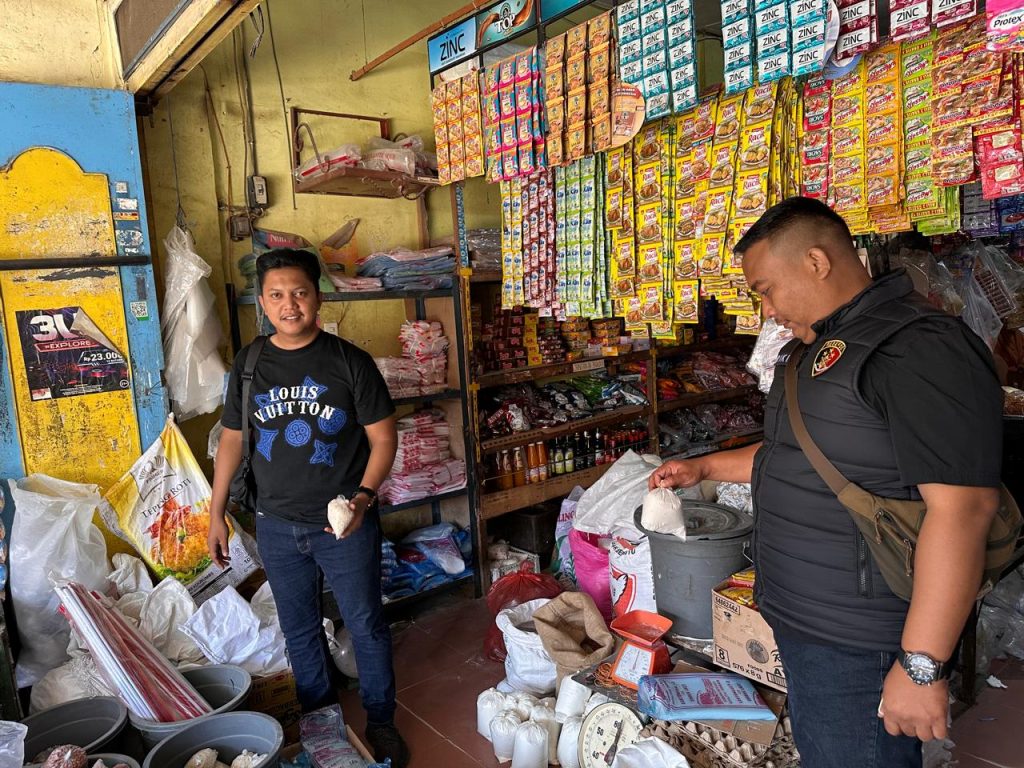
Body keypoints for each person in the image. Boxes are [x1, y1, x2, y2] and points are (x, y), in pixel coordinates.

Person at [650, 197, 1003, 768]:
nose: (767, 311)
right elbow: (797, 456)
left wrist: (921, 664)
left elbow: (962, 509)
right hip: (808, 620)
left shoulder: (917, 347)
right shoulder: (816, 351)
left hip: (861, 639)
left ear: (816, 261)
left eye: (767, 290)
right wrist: (706, 468)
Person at [207, 248, 408, 768]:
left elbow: (383, 439)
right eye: (276, 295)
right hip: (275, 525)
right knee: (299, 631)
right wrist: (216, 513)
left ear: (317, 297)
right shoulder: (249, 364)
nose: (289, 304)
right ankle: (322, 724)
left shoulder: (349, 362)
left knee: (365, 624)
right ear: (262, 302)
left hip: (344, 525)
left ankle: (381, 721)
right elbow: (232, 440)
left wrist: (363, 498)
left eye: (299, 292)